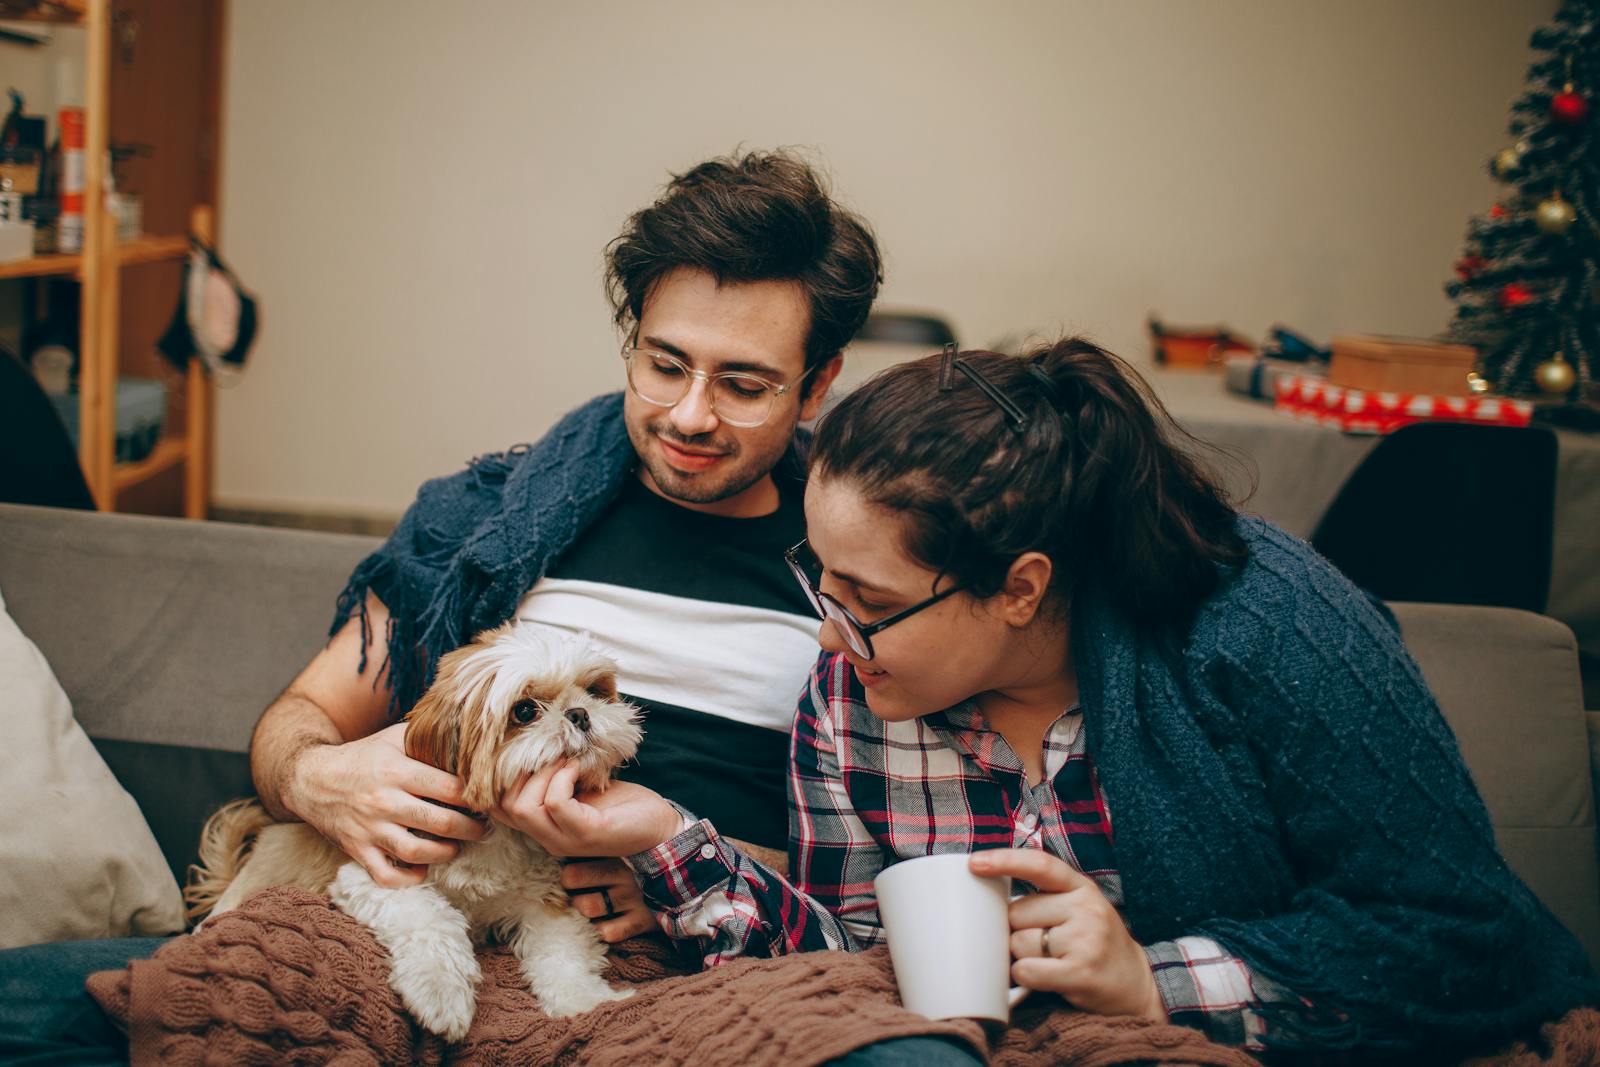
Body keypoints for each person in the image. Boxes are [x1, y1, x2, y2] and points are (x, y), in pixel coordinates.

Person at [0, 150, 979, 1067]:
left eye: (743, 384)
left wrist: (679, 865)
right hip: (407, 921)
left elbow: (880, 872)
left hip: (690, 962)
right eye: (664, 364)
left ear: (817, 384)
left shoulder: (862, 573)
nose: (689, 413)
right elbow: (301, 718)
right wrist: (319, 777)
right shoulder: (491, 520)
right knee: (35, 1007)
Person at [507, 339, 1600, 1059]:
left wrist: (1150, 980)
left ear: (1020, 588)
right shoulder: (850, 691)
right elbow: (843, 957)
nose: (830, 629)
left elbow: (1456, 933)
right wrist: (669, 838)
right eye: (818, 578)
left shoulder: (1267, 625)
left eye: (868, 599)